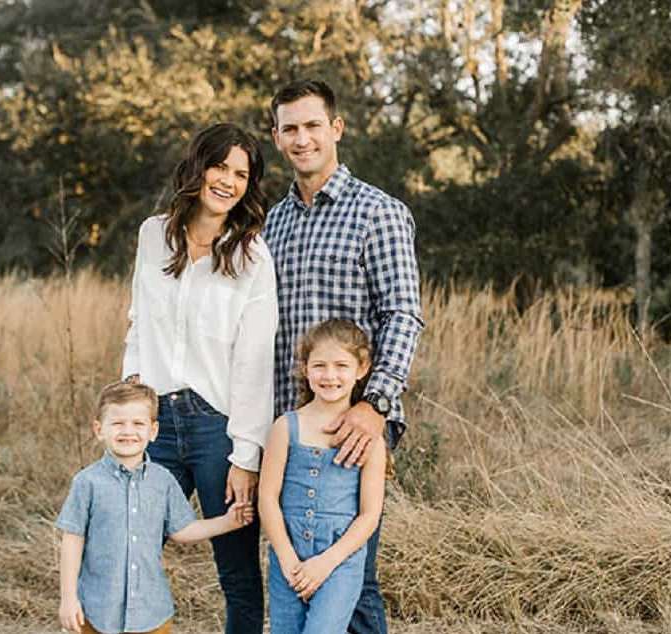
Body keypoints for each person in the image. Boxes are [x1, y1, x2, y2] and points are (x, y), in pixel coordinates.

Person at [263, 79, 424, 633]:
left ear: (336, 128)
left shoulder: (378, 213)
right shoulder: (271, 223)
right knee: (293, 575)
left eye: (313, 125)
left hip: (356, 420)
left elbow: (402, 314)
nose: (302, 138)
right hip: (294, 426)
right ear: (277, 137)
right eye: (290, 128)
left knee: (350, 578)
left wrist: (374, 405)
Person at [122, 123, 277, 633]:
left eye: (241, 173)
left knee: (235, 572)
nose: (228, 181)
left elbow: (255, 362)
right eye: (220, 166)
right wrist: (131, 410)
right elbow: (138, 324)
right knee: (129, 551)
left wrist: (245, 455)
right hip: (156, 421)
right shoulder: (153, 233)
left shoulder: (252, 257)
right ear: (198, 167)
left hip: (219, 428)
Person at [56, 381, 254, 634]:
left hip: (151, 615)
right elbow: (72, 539)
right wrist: (68, 598)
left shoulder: (163, 481)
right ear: (99, 429)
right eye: (117, 423)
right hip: (96, 612)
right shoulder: (87, 482)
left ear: (153, 430)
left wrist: (227, 522)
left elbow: (181, 530)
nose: (128, 431)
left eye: (138, 424)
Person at [259, 319, 386, 634]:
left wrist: (326, 562)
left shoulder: (370, 438)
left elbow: (370, 515)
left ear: (361, 368)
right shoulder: (286, 427)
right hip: (288, 557)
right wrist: (287, 558)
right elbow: (267, 498)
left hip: (339, 561)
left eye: (341, 365)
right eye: (320, 366)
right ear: (304, 368)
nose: (330, 376)